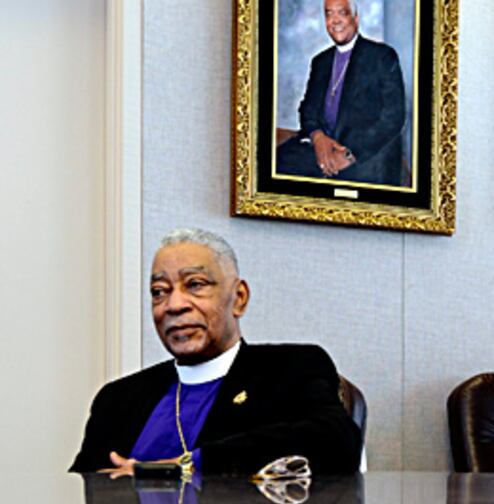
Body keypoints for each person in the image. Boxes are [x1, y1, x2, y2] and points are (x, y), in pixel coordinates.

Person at [70, 228, 361, 476]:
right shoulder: (118, 398)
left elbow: (336, 443)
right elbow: (78, 490)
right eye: (159, 291)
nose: (173, 305)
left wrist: (188, 466)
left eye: (195, 285)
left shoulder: (291, 368)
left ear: (239, 298)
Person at [276, 0, 405, 186]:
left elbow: (393, 118)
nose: (335, 20)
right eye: (329, 14)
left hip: (365, 153)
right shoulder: (320, 62)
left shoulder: (382, 56)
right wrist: (318, 137)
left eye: (342, 13)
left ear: (356, 18)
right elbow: (307, 110)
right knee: (275, 164)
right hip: (323, 147)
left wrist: (350, 155)